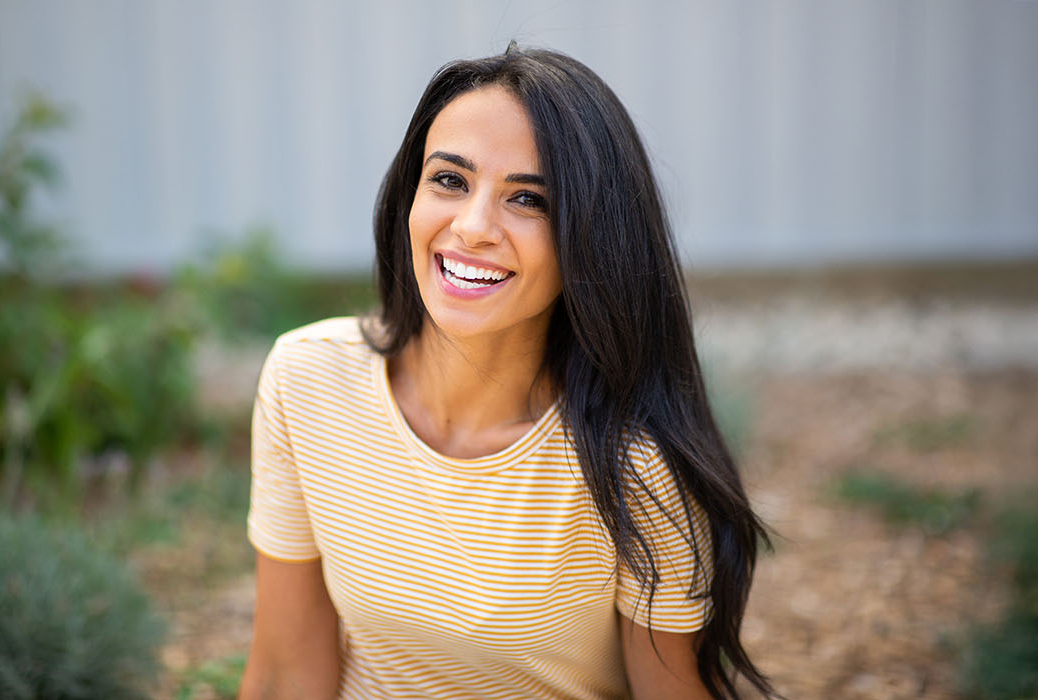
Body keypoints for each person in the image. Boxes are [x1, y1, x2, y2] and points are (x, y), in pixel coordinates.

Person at [239, 46, 774, 700]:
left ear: (592, 237)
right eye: (449, 180)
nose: (472, 227)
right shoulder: (308, 379)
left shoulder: (633, 460)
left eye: (527, 198)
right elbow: (286, 673)